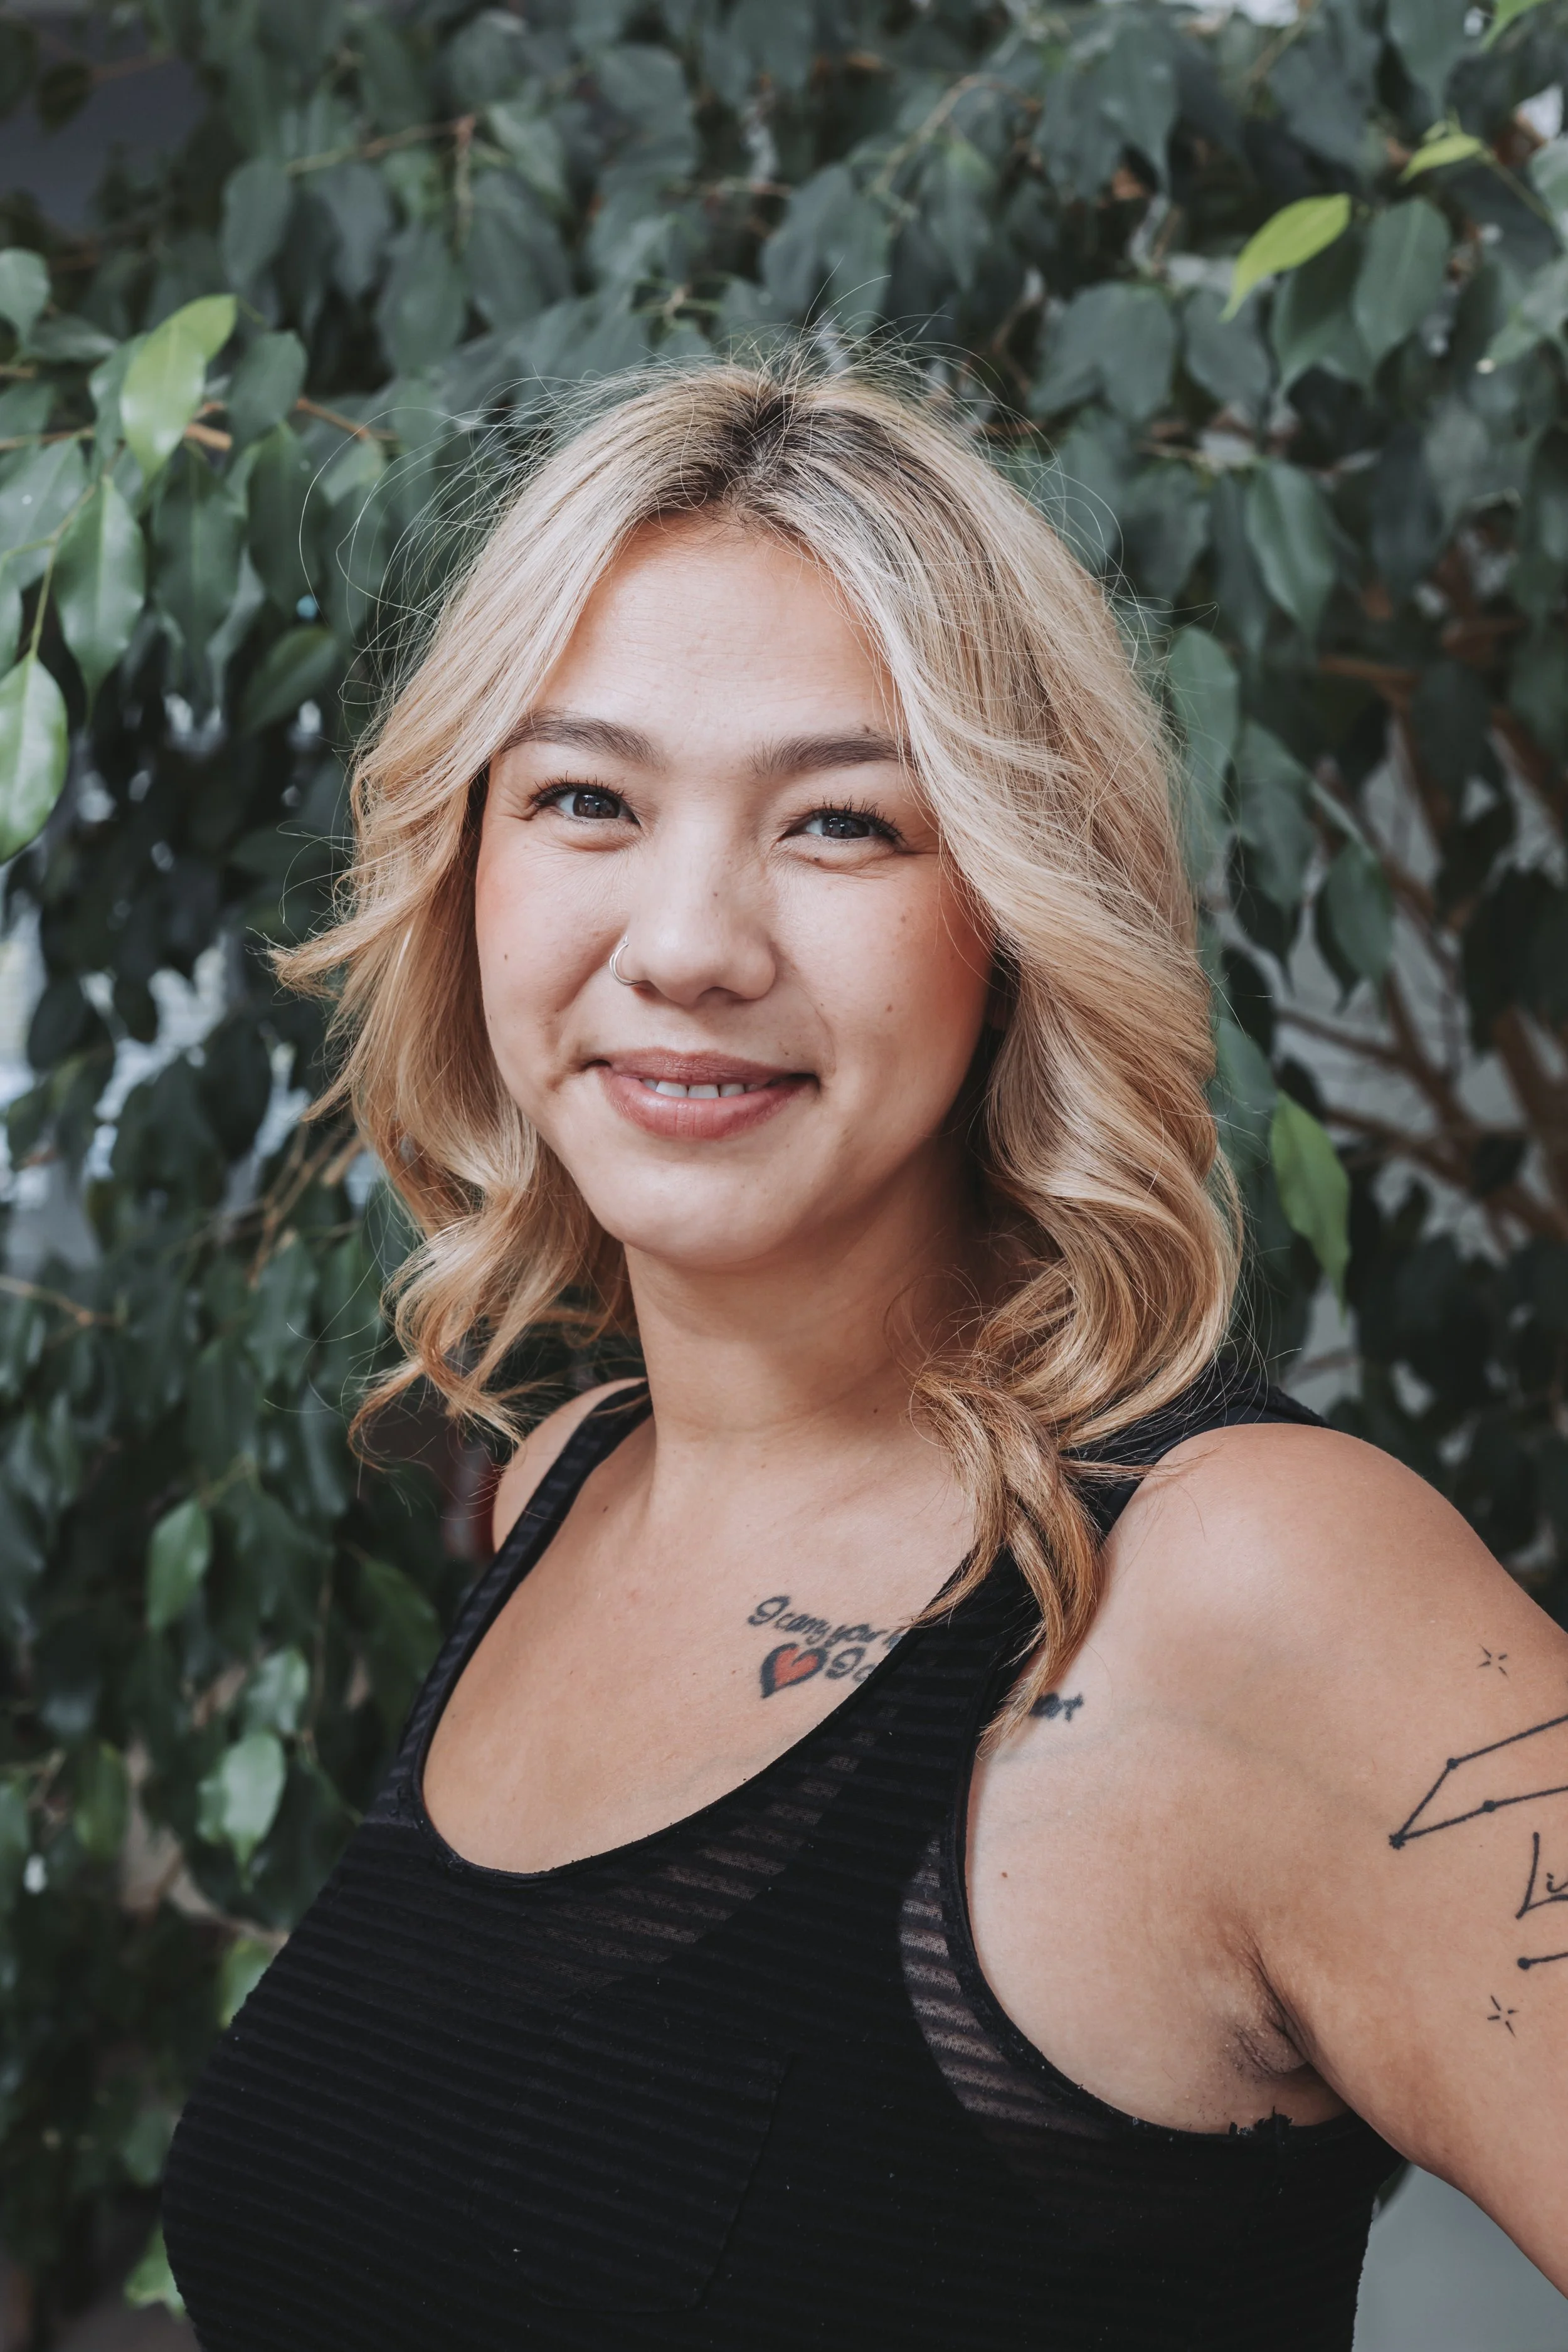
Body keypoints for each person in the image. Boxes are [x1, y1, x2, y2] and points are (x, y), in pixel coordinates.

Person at [161, 359, 1568, 2349]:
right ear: (462, 863)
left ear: (1014, 902)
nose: (688, 939)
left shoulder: (1250, 1582)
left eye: (841, 822)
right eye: (584, 798)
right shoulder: (566, 1484)